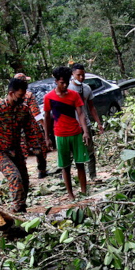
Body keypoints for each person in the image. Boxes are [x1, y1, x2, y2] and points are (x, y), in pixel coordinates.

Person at [0, 77, 39, 212]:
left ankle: (21, 206)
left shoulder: (23, 110)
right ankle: (17, 208)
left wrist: (36, 147)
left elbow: (30, 130)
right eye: (20, 96)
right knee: (15, 177)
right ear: (11, 93)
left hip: (17, 150)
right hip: (1, 151)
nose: (22, 99)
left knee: (24, 180)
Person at [44, 66, 91, 200]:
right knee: (65, 166)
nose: (64, 86)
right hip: (60, 135)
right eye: (61, 83)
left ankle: (83, 191)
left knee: (80, 163)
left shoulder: (74, 95)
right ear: (56, 82)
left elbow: (81, 113)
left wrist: (85, 131)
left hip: (76, 133)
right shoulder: (49, 97)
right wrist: (47, 137)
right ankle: (70, 194)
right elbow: (47, 117)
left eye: (66, 83)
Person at [70, 63, 104, 180]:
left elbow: (91, 107)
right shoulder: (68, 89)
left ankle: (93, 175)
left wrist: (98, 123)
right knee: (76, 153)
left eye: (83, 75)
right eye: (78, 75)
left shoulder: (87, 88)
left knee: (90, 150)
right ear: (72, 75)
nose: (81, 78)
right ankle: (80, 177)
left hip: (86, 124)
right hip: (72, 126)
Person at [13, 72, 50, 179]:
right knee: (40, 148)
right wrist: (44, 127)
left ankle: (20, 173)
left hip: (18, 128)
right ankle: (41, 170)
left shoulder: (12, 95)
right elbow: (36, 113)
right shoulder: (28, 95)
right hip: (31, 127)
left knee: (21, 151)